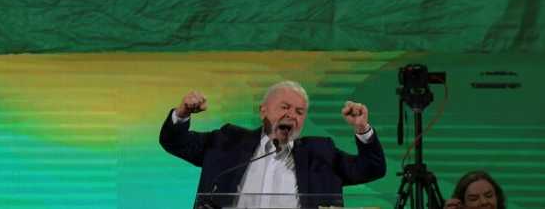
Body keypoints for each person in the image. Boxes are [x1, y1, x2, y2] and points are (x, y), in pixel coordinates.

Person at [159, 80, 386, 207]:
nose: (291, 115)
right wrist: (182, 113)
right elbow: (174, 142)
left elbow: (372, 168)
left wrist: (361, 128)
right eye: (285, 107)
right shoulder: (227, 140)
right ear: (263, 111)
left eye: (299, 112)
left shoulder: (321, 152)